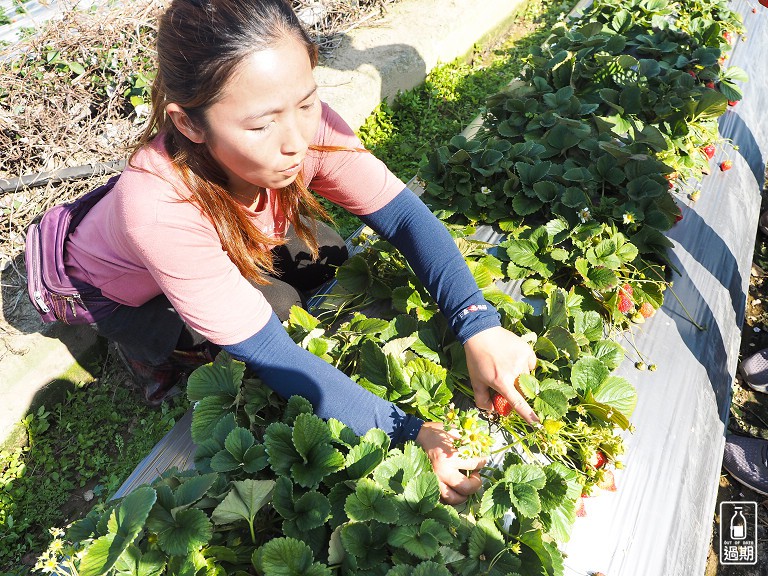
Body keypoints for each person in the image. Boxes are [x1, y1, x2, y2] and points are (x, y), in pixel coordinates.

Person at [53, 0, 539, 504]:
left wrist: (477, 321)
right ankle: (152, 360)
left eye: (306, 103)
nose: (297, 142)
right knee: (271, 315)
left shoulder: (302, 134)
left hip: (223, 215)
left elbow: (402, 215)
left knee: (328, 259)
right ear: (190, 124)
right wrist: (408, 432)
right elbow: (269, 350)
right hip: (113, 289)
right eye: (261, 124)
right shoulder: (159, 205)